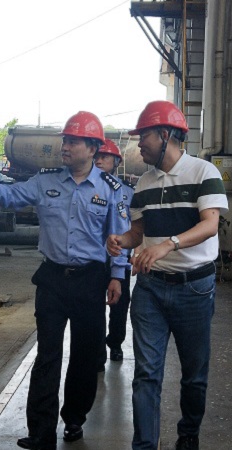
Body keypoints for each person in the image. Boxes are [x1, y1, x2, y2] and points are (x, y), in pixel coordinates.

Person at [0, 111, 129, 450]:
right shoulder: (45, 181)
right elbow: (13, 195)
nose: (65, 146)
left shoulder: (110, 189)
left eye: (73, 141)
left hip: (90, 281)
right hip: (52, 279)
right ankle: (41, 431)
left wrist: (117, 276)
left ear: (92, 148)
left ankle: (75, 418)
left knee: (84, 356)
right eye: (65, 140)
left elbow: (120, 236)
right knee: (47, 356)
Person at [106, 100, 228, 450]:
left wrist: (168, 245)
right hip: (150, 290)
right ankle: (145, 445)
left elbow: (210, 225)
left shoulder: (204, 173)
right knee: (146, 373)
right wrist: (121, 240)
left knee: (194, 375)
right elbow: (139, 232)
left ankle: (188, 435)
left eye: (143, 136)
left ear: (164, 134)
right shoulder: (143, 183)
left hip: (194, 289)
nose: (139, 145)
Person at [93, 138, 134, 367]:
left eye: (104, 157)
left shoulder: (127, 192)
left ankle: (115, 343)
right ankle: (97, 350)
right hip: (94, 259)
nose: (99, 161)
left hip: (119, 256)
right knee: (93, 305)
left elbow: (135, 226)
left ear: (116, 162)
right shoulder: (87, 188)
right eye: (96, 157)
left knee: (119, 304)